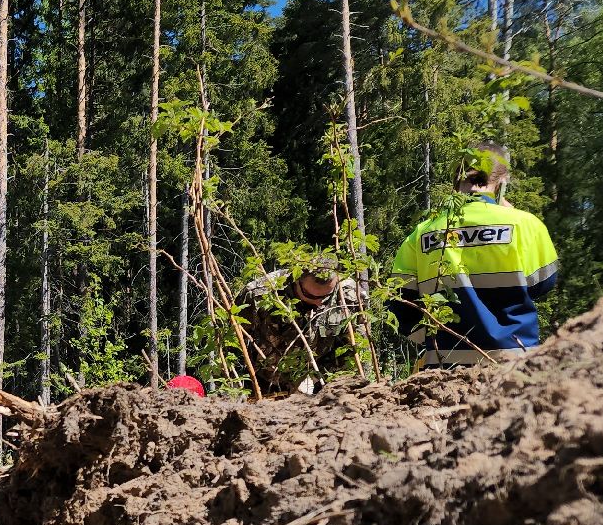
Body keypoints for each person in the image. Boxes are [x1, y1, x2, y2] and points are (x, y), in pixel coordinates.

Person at [389, 143, 560, 367]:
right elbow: (543, 285)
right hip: (514, 363)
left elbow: (400, 306)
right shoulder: (525, 224)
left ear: (455, 182)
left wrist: (432, 340)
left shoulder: (422, 233)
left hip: (443, 368)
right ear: (502, 183)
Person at [234, 259, 363, 394]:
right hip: (260, 379)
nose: (319, 303)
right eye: (310, 296)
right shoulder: (258, 295)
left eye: (326, 297)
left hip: (324, 376)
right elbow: (233, 347)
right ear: (296, 279)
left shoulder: (350, 297)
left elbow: (352, 351)